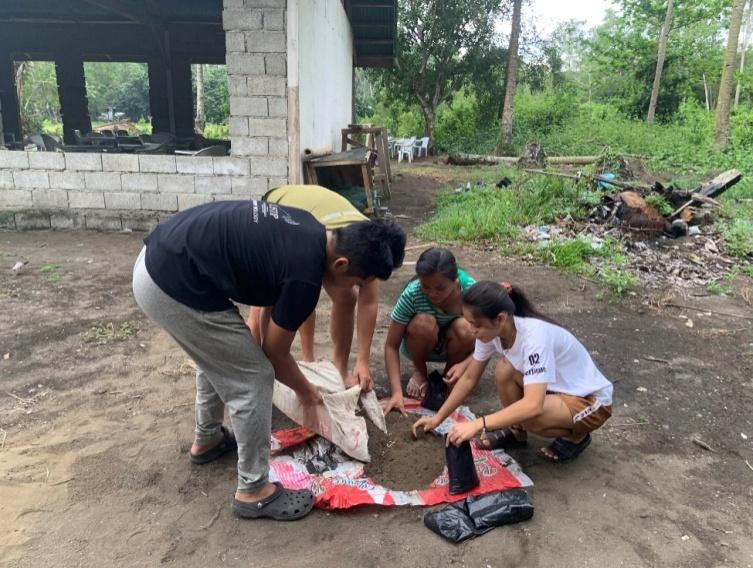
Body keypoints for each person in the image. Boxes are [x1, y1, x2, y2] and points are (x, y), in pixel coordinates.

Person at [132, 200, 405, 520]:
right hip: (171, 283)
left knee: (227, 355)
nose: (354, 291)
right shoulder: (305, 277)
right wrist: (305, 391)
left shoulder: (310, 227)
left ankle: (207, 440)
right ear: (342, 265)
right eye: (357, 284)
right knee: (253, 378)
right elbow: (274, 358)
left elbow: (266, 326)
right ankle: (253, 491)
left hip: (161, 260)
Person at [413, 280, 613, 463]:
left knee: (531, 415)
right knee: (504, 368)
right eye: (470, 323)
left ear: (500, 318)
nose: (472, 331)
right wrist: (438, 418)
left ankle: (577, 437)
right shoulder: (490, 333)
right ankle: (517, 433)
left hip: (591, 400)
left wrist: (477, 425)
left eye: (476, 325)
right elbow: (468, 378)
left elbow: (533, 405)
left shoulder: (535, 338)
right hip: (554, 388)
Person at [247, 185, 384, 391]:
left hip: (321, 214)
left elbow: (369, 302)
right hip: (282, 208)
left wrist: (362, 361)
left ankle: (339, 368)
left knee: (347, 296)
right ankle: (265, 370)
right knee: (284, 295)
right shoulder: (309, 246)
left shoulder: (371, 249)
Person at [383, 248, 476, 415]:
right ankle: (421, 371)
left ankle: (448, 377)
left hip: (455, 348)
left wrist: (464, 365)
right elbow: (391, 345)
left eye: (440, 288)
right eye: (425, 286)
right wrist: (396, 393)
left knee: (467, 328)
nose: (432, 293)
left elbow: (490, 341)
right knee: (423, 323)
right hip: (421, 344)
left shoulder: (471, 292)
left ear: (455, 281)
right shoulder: (412, 294)